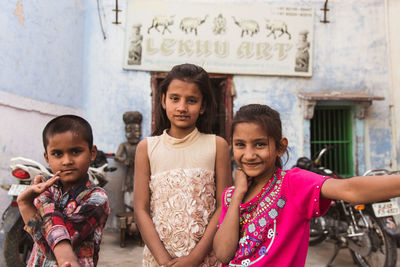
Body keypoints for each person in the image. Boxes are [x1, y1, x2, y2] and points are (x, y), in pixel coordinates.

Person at [213, 104, 400, 267]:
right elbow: (222, 253)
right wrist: (238, 195)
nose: (249, 154)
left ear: (280, 147)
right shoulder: (231, 194)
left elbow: (349, 189)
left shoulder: (293, 184)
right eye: (240, 145)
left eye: (260, 144)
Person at [134, 63, 232, 267]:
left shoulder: (217, 146)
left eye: (192, 100)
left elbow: (224, 206)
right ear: (163, 100)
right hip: (158, 258)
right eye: (175, 98)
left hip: (205, 258)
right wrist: (163, 260)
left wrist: (194, 258)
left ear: (203, 106)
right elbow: (141, 209)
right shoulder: (147, 148)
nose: (182, 107)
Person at [17, 115, 110, 267]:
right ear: (47, 158)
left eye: (75, 152)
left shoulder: (96, 198)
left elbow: (55, 249)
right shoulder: (48, 191)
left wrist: (42, 201)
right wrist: (24, 203)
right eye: (57, 154)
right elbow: (40, 238)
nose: (67, 161)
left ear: (92, 152)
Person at [115, 110, 143, 210]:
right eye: (129, 131)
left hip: (141, 173)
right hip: (129, 173)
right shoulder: (124, 145)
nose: (132, 134)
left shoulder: (143, 144)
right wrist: (124, 160)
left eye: (136, 131)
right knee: (128, 192)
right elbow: (117, 156)